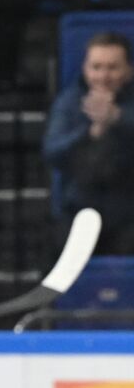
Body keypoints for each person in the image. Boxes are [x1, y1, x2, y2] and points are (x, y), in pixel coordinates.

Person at [44, 31, 134, 255]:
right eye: (96, 67)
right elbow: (52, 152)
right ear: (85, 69)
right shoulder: (69, 102)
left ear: (129, 69)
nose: (103, 76)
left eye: (112, 68)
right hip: (81, 207)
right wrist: (92, 132)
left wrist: (118, 118)